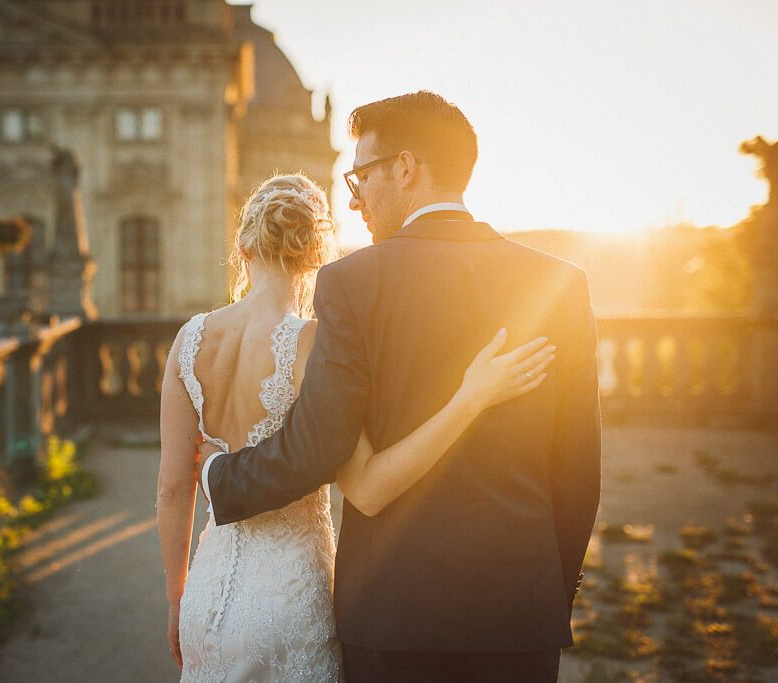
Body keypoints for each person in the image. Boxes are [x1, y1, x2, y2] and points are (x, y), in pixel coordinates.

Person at [197, 91, 602, 682]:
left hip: (392, 615)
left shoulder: (351, 283)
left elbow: (317, 446)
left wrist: (220, 477)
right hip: (519, 611)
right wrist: (547, 593)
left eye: (362, 173)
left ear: (406, 168)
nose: (356, 196)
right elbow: (578, 470)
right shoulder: (560, 283)